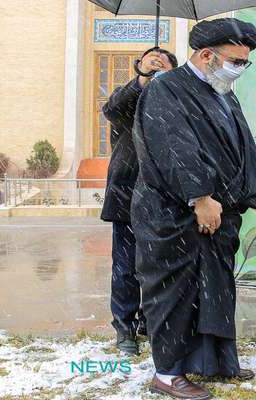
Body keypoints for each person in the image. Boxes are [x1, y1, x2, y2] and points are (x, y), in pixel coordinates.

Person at [131, 18, 256, 399]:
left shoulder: (221, 89)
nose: (239, 69)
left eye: (245, 62)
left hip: (218, 214)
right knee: (175, 292)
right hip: (174, 212)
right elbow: (172, 147)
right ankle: (167, 374)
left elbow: (242, 146)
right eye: (235, 61)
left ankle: (213, 361)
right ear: (207, 54)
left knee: (214, 288)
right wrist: (200, 197)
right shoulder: (167, 88)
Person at [100, 47, 177, 356]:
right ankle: (125, 328)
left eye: (165, 59)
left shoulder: (175, 102)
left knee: (159, 266)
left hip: (163, 199)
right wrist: (143, 80)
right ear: (139, 65)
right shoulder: (126, 100)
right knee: (126, 268)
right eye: (151, 57)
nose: (157, 60)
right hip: (127, 195)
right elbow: (111, 108)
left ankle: (150, 321)